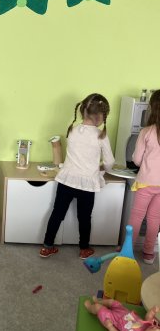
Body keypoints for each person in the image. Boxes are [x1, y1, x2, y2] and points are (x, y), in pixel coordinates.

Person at [39, 93, 115, 259]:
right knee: (85, 218)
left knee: (57, 213)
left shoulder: (72, 130)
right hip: (87, 183)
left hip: (66, 179)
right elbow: (109, 162)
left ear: (83, 111)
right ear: (100, 116)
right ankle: (84, 249)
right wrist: (102, 167)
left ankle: (47, 246)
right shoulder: (101, 135)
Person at [127, 89, 160, 265]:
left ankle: (128, 249)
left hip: (146, 182)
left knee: (137, 216)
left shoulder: (146, 132)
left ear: (152, 108)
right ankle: (148, 253)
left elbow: (137, 160)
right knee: (155, 218)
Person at [84, 296, 160, 331]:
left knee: (98, 308)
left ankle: (90, 308)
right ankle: (99, 302)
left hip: (113, 320)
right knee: (111, 302)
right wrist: (153, 311)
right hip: (122, 310)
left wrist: (110, 327)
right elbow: (148, 317)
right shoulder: (149, 327)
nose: (156, 328)